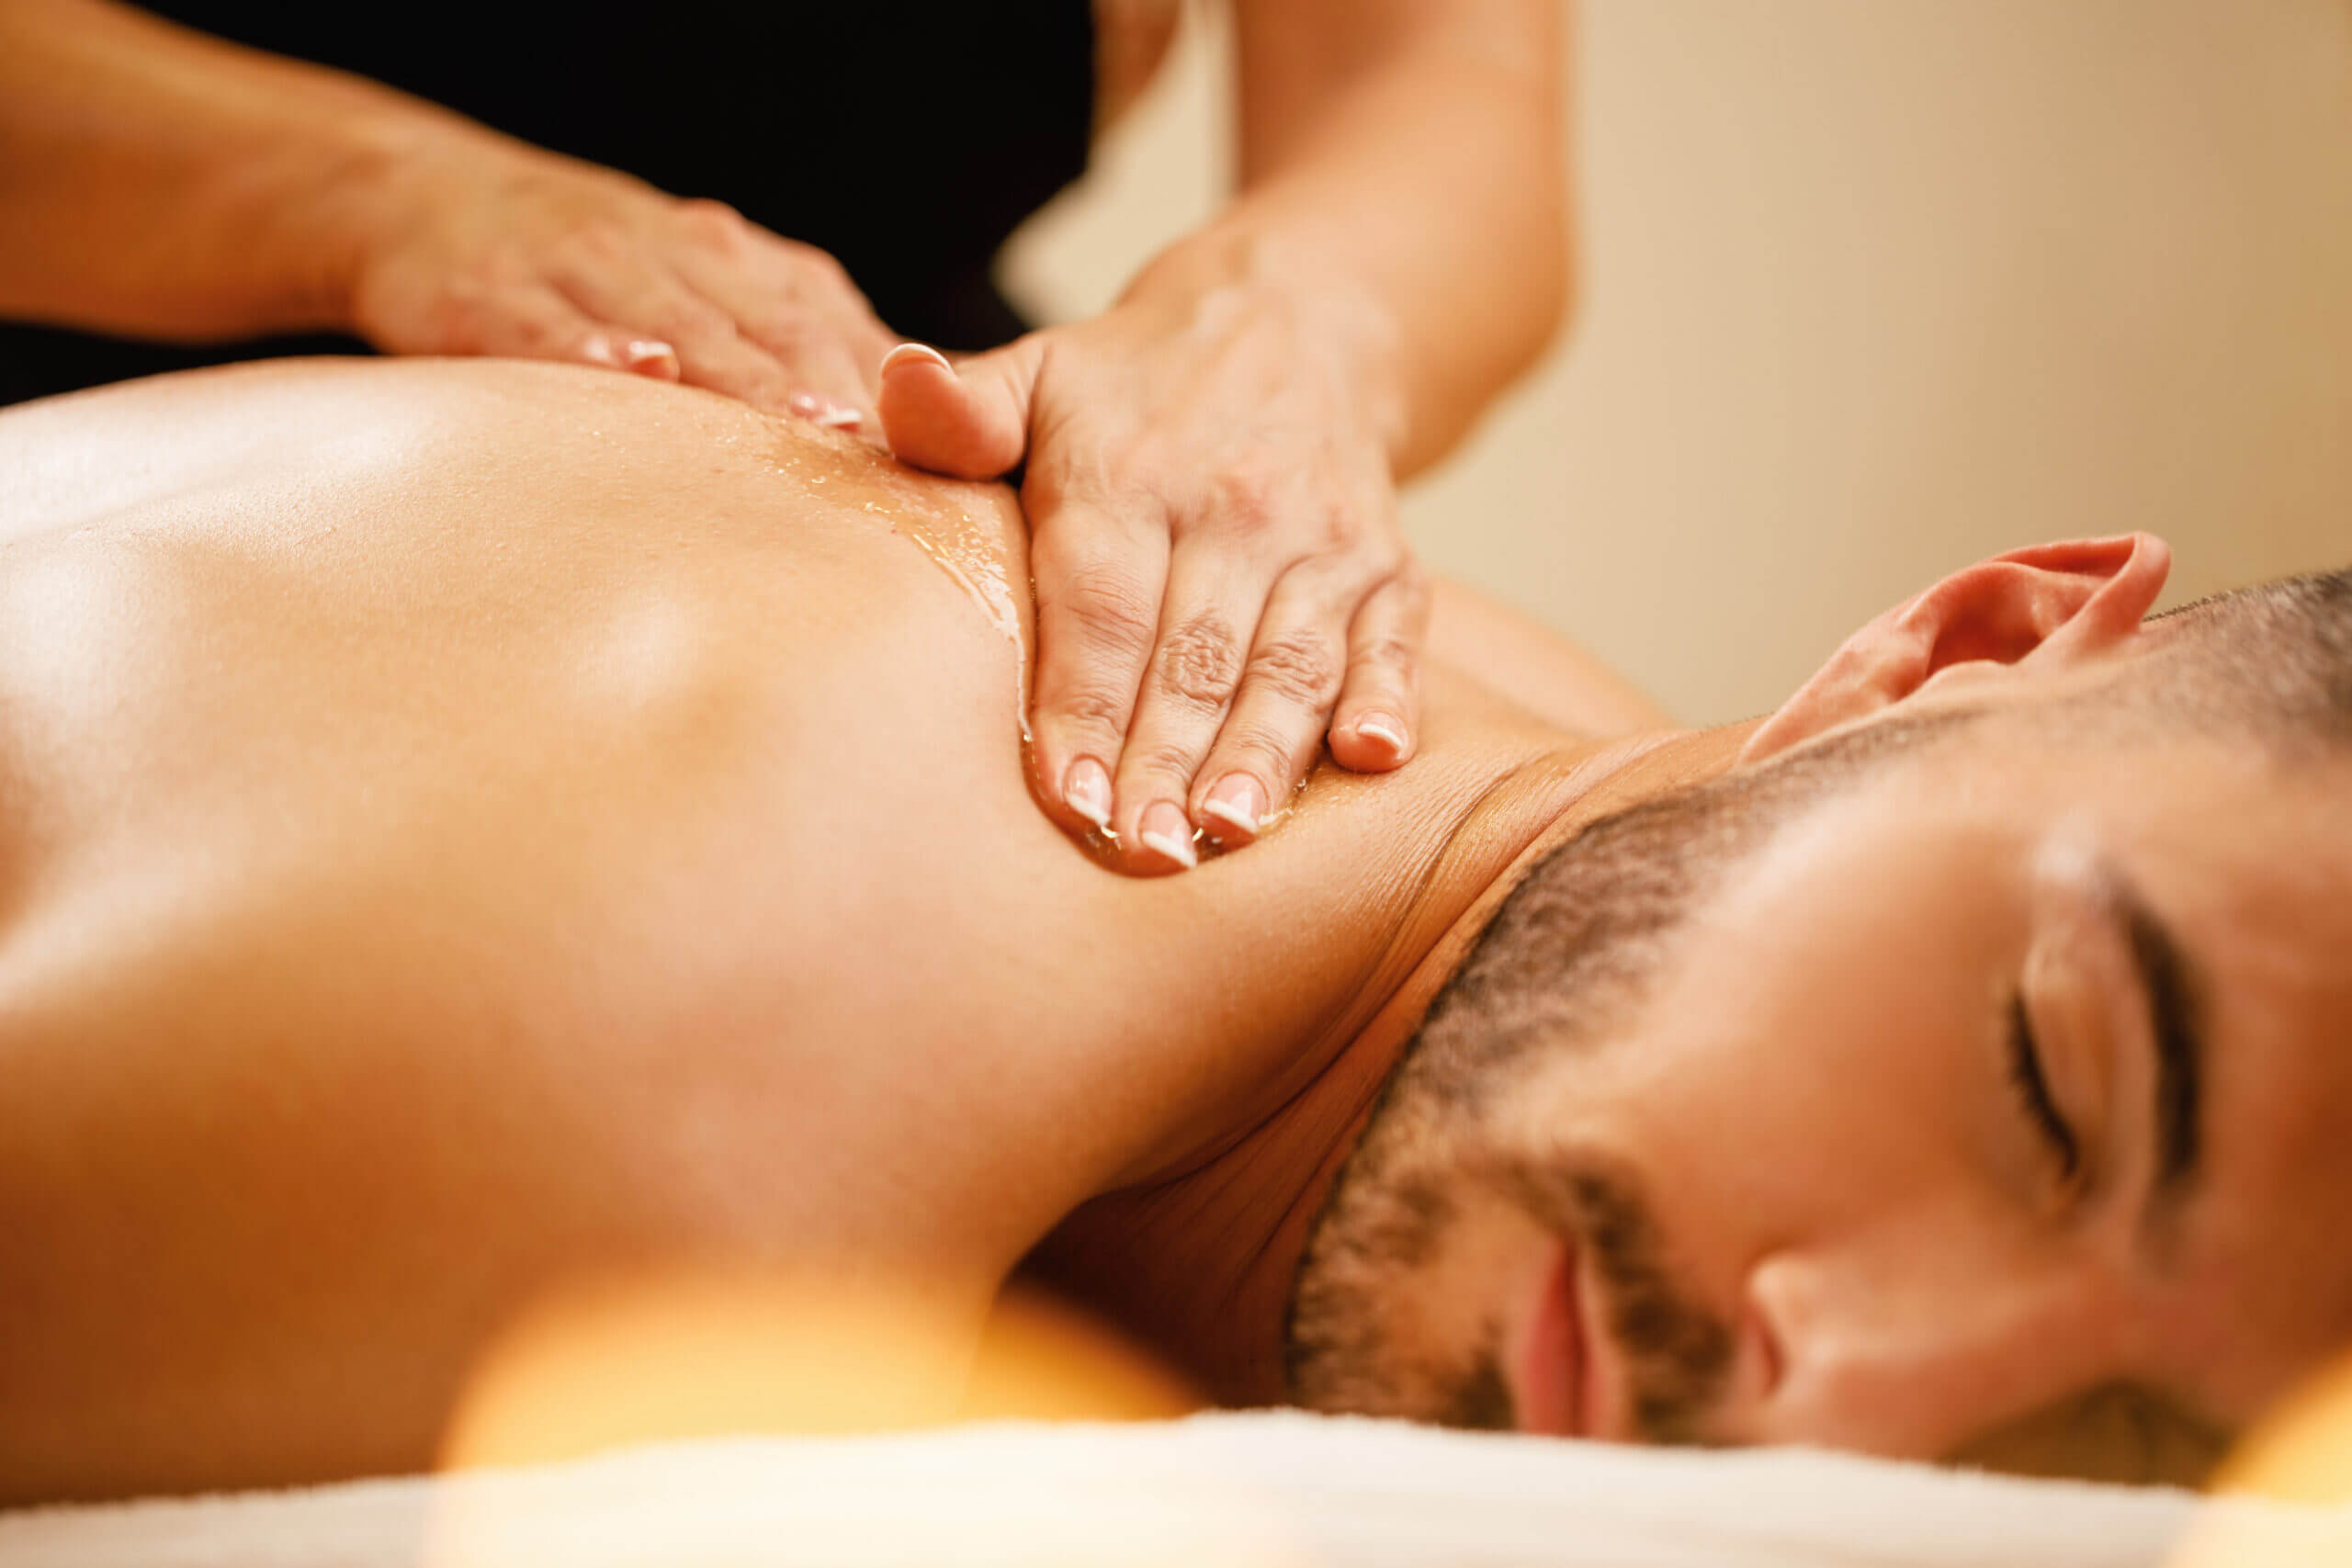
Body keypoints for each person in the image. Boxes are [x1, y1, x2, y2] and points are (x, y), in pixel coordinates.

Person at [5, 357, 2349, 1506]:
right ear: (1941, 653)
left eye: (2115, 1425)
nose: (1833, 1398)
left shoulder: (1587, 819)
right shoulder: (662, 1094)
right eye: (2050, 1075)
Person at [0, 0, 1573, 868]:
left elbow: (1444, 82)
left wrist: (1287, 316)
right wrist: (366, 196)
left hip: (880, 431)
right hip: (88, 438)